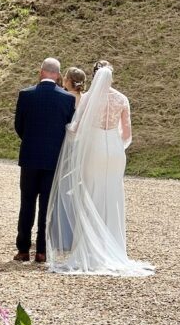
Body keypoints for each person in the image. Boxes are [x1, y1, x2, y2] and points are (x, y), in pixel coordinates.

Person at [46, 60, 154, 277]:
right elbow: (127, 135)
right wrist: (115, 147)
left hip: (94, 149)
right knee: (112, 196)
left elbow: (75, 128)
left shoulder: (88, 98)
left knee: (90, 193)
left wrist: (67, 130)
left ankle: (88, 248)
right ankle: (112, 247)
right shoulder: (122, 99)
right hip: (114, 152)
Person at [14, 57, 76, 263]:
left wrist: (31, 141)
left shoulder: (26, 95)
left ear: (41, 72)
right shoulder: (67, 99)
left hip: (30, 157)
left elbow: (19, 126)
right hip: (53, 159)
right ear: (58, 75)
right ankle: (42, 250)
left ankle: (23, 249)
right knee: (46, 205)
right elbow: (68, 129)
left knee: (27, 203)